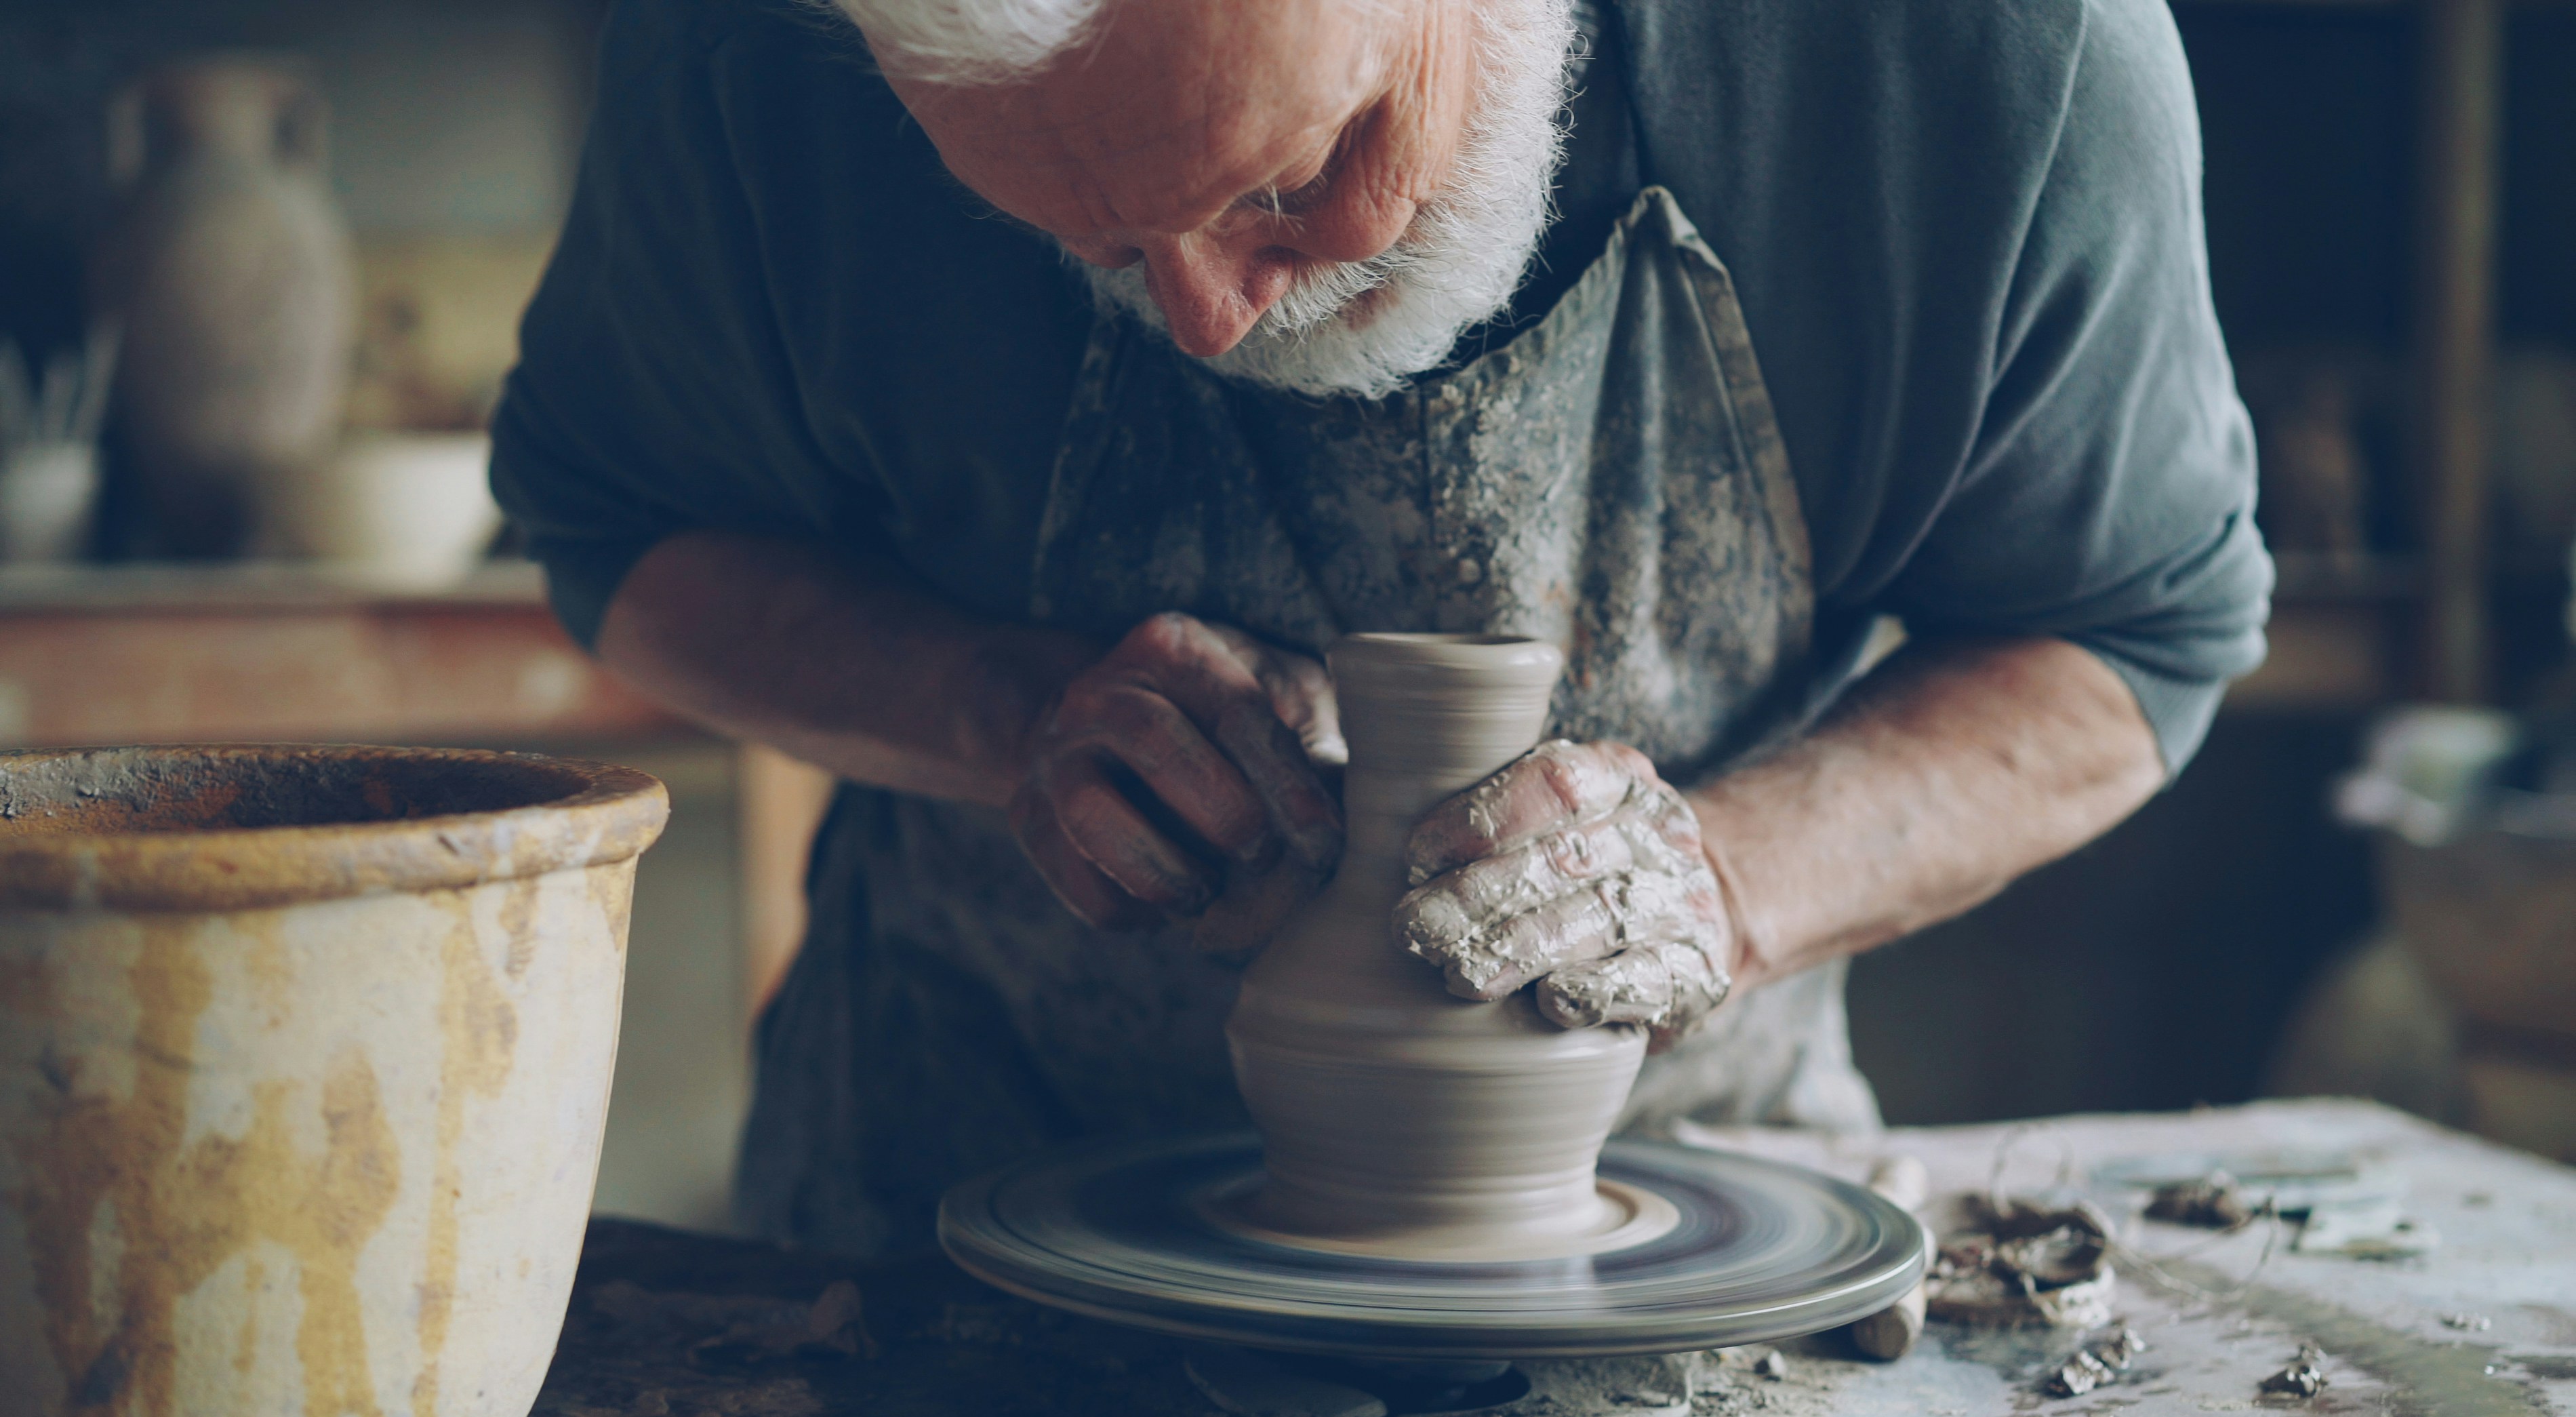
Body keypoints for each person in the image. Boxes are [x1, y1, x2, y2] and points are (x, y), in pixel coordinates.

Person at [491, 0, 2272, 1259]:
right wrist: (996, 707)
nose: (1200, 318)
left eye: (1287, 175)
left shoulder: (1979, 58)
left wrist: (1726, 879)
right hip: (964, 1189)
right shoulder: (756, 52)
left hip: (1676, 1214)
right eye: (1091, 244)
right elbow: (617, 526)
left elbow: (2135, 636)